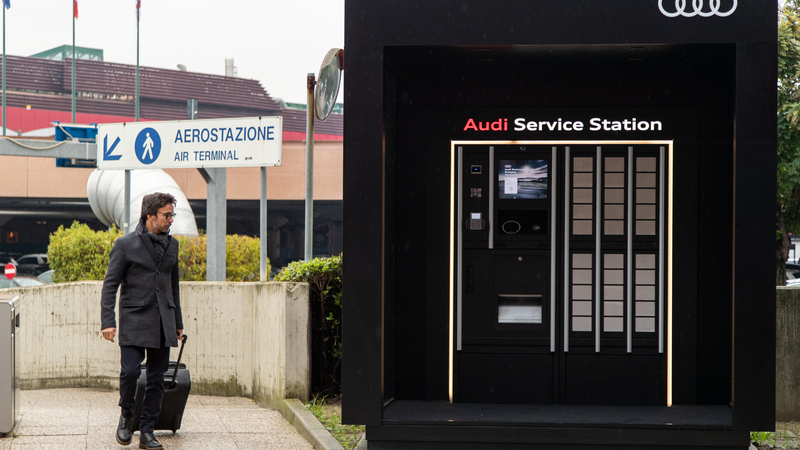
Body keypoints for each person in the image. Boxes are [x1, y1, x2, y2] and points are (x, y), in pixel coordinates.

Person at [100, 192, 184, 450]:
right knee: (131, 372)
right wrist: (107, 321)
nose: (170, 220)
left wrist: (177, 322)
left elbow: (173, 286)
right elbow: (110, 285)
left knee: (157, 379)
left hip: (163, 321)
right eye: (166, 215)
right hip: (134, 318)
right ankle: (126, 415)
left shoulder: (173, 245)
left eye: (172, 215)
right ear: (150, 216)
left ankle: (147, 431)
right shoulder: (125, 245)